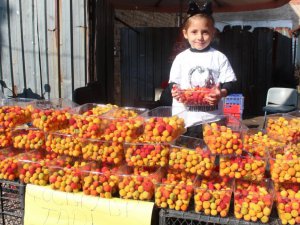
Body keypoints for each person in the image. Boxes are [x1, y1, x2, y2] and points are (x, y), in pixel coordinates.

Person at [169, 0, 236, 137]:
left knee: (212, 155)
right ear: (185, 34)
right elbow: (172, 83)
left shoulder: (219, 57)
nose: (199, 37)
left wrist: (221, 93)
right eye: (194, 32)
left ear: (213, 33)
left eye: (205, 32)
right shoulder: (181, 58)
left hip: (213, 120)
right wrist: (174, 91)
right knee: (186, 154)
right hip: (185, 121)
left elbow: (231, 83)